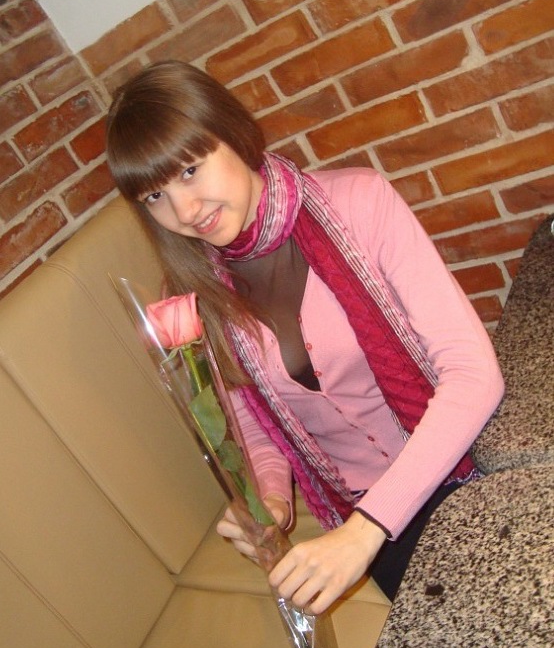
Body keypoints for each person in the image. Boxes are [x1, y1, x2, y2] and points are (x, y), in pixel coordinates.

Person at [106, 60, 504, 613]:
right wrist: (269, 503)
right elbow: (255, 426)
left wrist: (364, 532)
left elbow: (473, 373)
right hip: (359, 511)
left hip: (459, 459)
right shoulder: (191, 294)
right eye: (154, 196)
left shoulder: (359, 202)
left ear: (233, 133)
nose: (185, 210)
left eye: (190, 170)